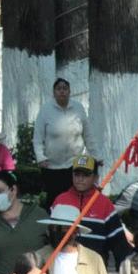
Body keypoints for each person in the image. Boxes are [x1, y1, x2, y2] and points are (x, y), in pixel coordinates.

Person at [51, 155, 132, 265]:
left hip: (95, 266)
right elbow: (50, 235)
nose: (80, 179)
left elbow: (118, 242)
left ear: (95, 178)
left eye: (86, 175)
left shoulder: (105, 203)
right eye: (77, 174)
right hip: (63, 263)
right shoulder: (60, 200)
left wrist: (124, 269)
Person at [33, 78, 95, 206]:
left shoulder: (78, 108)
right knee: (55, 199)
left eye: (65, 88)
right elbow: (38, 137)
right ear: (54, 92)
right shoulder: (45, 110)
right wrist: (40, 157)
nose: (62, 91)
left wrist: (95, 156)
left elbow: (88, 134)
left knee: (75, 198)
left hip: (74, 164)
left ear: (69, 91)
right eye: (58, 89)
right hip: (52, 166)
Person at [36, 204, 113, 274]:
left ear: (75, 231)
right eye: (53, 227)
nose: (55, 231)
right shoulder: (39, 257)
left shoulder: (94, 259)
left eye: (61, 228)